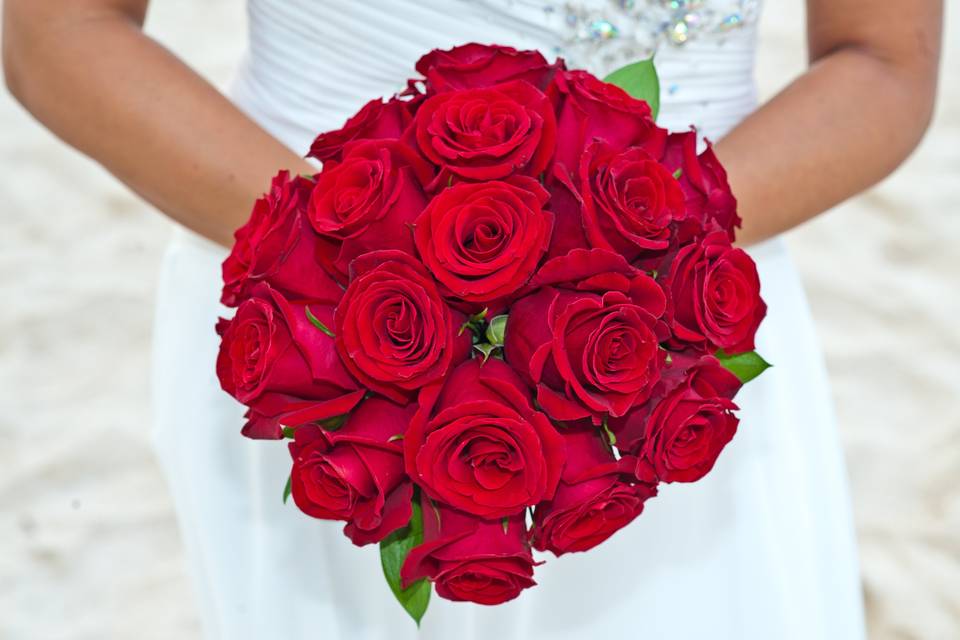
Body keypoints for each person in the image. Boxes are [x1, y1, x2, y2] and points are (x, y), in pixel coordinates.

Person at [2, 1, 942, 638]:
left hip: (678, 329)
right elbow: (57, 29)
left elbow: (883, 60)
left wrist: (639, 253)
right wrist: (350, 258)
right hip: (313, 326)